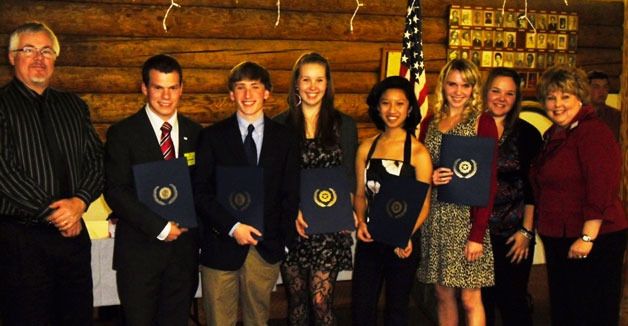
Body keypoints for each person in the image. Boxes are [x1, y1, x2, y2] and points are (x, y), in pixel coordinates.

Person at [0, 22, 104, 325]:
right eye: (28, 50)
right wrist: (56, 214)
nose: (38, 59)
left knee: (77, 316)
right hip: (21, 239)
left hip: (73, 238)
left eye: (46, 51)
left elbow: (96, 161)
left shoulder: (74, 106)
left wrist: (80, 203)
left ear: (55, 58)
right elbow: (4, 171)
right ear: (11, 57)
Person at [193, 61, 300, 326]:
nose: (248, 95)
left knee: (258, 321)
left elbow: (290, 193)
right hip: (220, 246)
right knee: (219, 321)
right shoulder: (211, 137)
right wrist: (232, 226)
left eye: (255, 87)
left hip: (266, 248)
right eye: (240, 87)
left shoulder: (286, 139)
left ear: (267, 92)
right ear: (231, 94)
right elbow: (200, 192)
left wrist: (284, 243)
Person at [104, 54, 201, 325]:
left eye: (172, 87)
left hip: (183, 256)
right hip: (139, 256)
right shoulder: (123, 133)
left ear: (182, 88)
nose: (166, 96)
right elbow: (115, 191)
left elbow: (202, 189)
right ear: (144, 88)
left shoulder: (195, 134)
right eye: (158, 87)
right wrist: (160, 227)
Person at [530, 65, 627, 326]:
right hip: (561, 236)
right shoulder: (555, 134)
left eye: (565, 97)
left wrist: (587, 236)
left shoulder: (592, 132)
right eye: (551, 97)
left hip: (593, 239)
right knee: (566, 310)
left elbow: (602, 187)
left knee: (590, 312)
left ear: (580, 97)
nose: (557, 104)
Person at [274, 52, 358, 325]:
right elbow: (276, 179)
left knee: (321, 302)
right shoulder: (279, 125)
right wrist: (290, 211)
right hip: (294, 225)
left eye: (319, 80)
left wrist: (349, 212)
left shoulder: (344, 125)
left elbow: (348, 176)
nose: (312, 87)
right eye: (306, 80)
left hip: (330, 226)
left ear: (327, 83)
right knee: (296, 301)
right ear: (296, 84)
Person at [417, 59, 497, 326]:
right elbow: (420, 167)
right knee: (442, 294)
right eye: (453, 83)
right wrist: (430, 176)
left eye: (466, 85)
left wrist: (477, 235)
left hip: (467, 222)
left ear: (474, 88)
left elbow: (489, 181)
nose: (458, 91)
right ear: (443, 85)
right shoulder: (431, 121)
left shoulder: (482, 122)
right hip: (436, 219)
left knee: (470, 298)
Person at [352, 76, 432, 325]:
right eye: (386, 103)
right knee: (362, 307)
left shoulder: (419, 153)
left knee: (396, 310)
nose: (392, 110)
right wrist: (361, 222)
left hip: (403, 241)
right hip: (370, 238)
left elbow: (424, 204)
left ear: (409, 109)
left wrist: (406, 234)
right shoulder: (366, 148)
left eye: (399, 104)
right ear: (378, 107)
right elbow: (360, 194)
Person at [480, 68, 542, 326]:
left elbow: (534, 188)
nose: (501, 98)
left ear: (517, 98)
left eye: (510, 93)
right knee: (481, 304)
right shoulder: (470, 129)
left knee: (513, 302)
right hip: (476, 235)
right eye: (496, 90)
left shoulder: (527, 134)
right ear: (485, 93)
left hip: (513, 235)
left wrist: (526, 232)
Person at [587, 70, 620, 140]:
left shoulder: (616, 116)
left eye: (605, 87)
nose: (601, 91)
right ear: (587, 89)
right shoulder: (579, 114)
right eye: (596, 87)